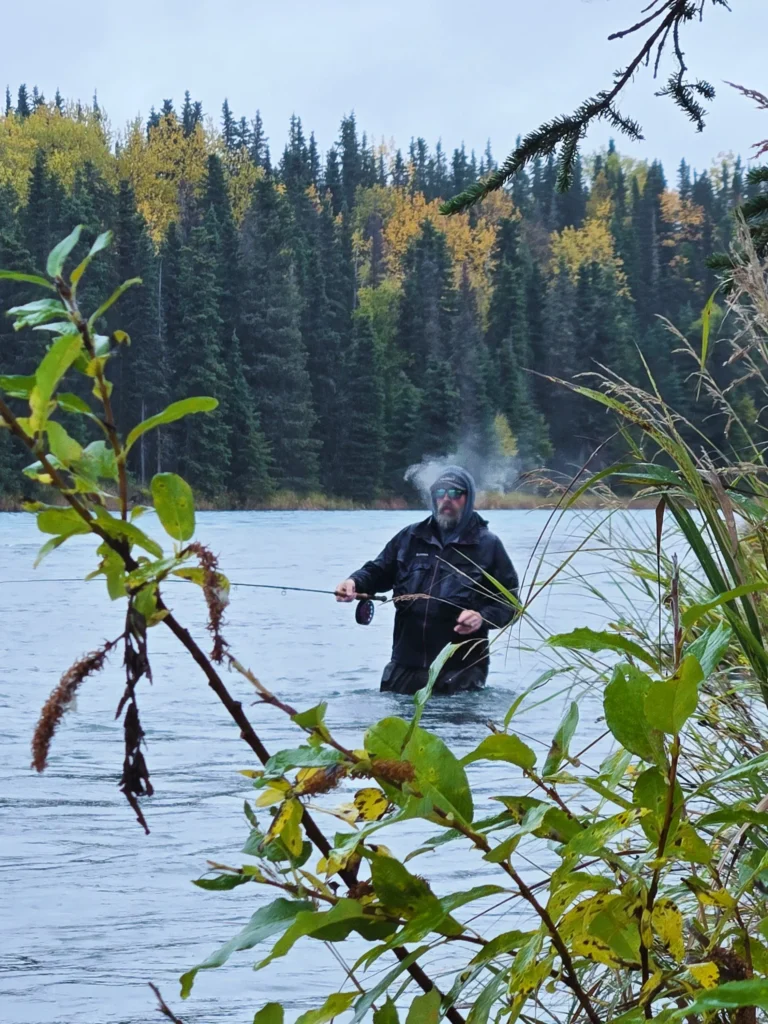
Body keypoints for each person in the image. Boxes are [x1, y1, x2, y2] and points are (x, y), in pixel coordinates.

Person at [336, 466, 519, 695]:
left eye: (455, 493)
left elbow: (510, 604)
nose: (446, 499)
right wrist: (354, 582)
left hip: (460, 672)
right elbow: (377, 571)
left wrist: (481, 618)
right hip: (404, 666)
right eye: (440, 493)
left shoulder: (488, 545)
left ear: (468, 498)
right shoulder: (410, 537)